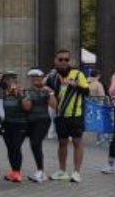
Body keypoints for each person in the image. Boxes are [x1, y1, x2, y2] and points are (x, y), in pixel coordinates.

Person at [45, 48, 88, 182]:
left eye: (66, 59)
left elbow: (86, 92)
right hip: (60, 115)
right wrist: (46, 90)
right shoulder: (52, 77)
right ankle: (62, 171)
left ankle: (76, 172)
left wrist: (75, 85)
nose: (64, 62)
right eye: (61, 59)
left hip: (76, 114)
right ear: (55, 61)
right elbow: (45, 90)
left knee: (77, 141)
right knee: (62, 142)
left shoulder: (77, 74)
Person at [24, 68, 57, 183]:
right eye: (32, 77)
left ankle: (41, 171)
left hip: (42, 120)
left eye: (38, 77)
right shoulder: (27, 91)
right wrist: (26, 97)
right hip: (30, 121)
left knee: (36, 143)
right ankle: (40, 171)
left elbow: (54, 106)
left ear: (42, 78)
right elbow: (27, 107)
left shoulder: (46, 90)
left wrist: (51, 93)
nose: (35, 79)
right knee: (34, 145)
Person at [0, 73, 28, 182]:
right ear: (5, 81)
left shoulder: (22, 91)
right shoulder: (3, 93)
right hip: (6, 123)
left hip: (19, 123)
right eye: (8, 79)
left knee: (16, 147)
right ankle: (13, 171)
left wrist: (20, 95)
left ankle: (17, 172)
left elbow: (26, 107)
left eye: (13, 79)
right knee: (10, 148)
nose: (11, 81)